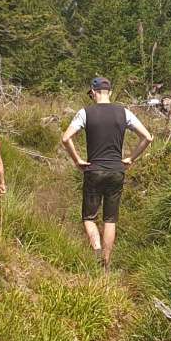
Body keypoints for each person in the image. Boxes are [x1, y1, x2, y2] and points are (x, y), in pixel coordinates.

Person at [60, 76, 152, 269]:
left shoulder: (85, 113)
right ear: (109, 92)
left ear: (93, 93)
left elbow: (66, 138)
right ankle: (106, 264)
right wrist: (131, 158)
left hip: (94, 170)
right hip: (116, 171)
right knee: (110, 219)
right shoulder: (124, 112)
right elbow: (147, 138)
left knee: (89, 218)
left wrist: (77, 160)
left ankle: (96, 250)